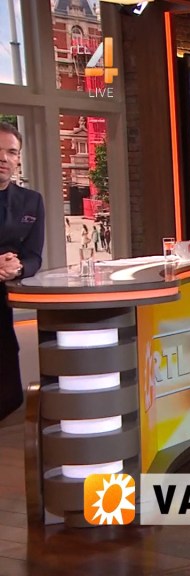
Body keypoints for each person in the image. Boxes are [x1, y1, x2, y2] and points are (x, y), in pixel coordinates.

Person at [0, 122, 44, 420]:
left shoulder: (31, 201)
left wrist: (17, 268)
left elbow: (34, 257)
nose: (3, 158)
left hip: (3, 304)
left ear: (18, 158)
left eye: (11, 152)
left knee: (9, 396)